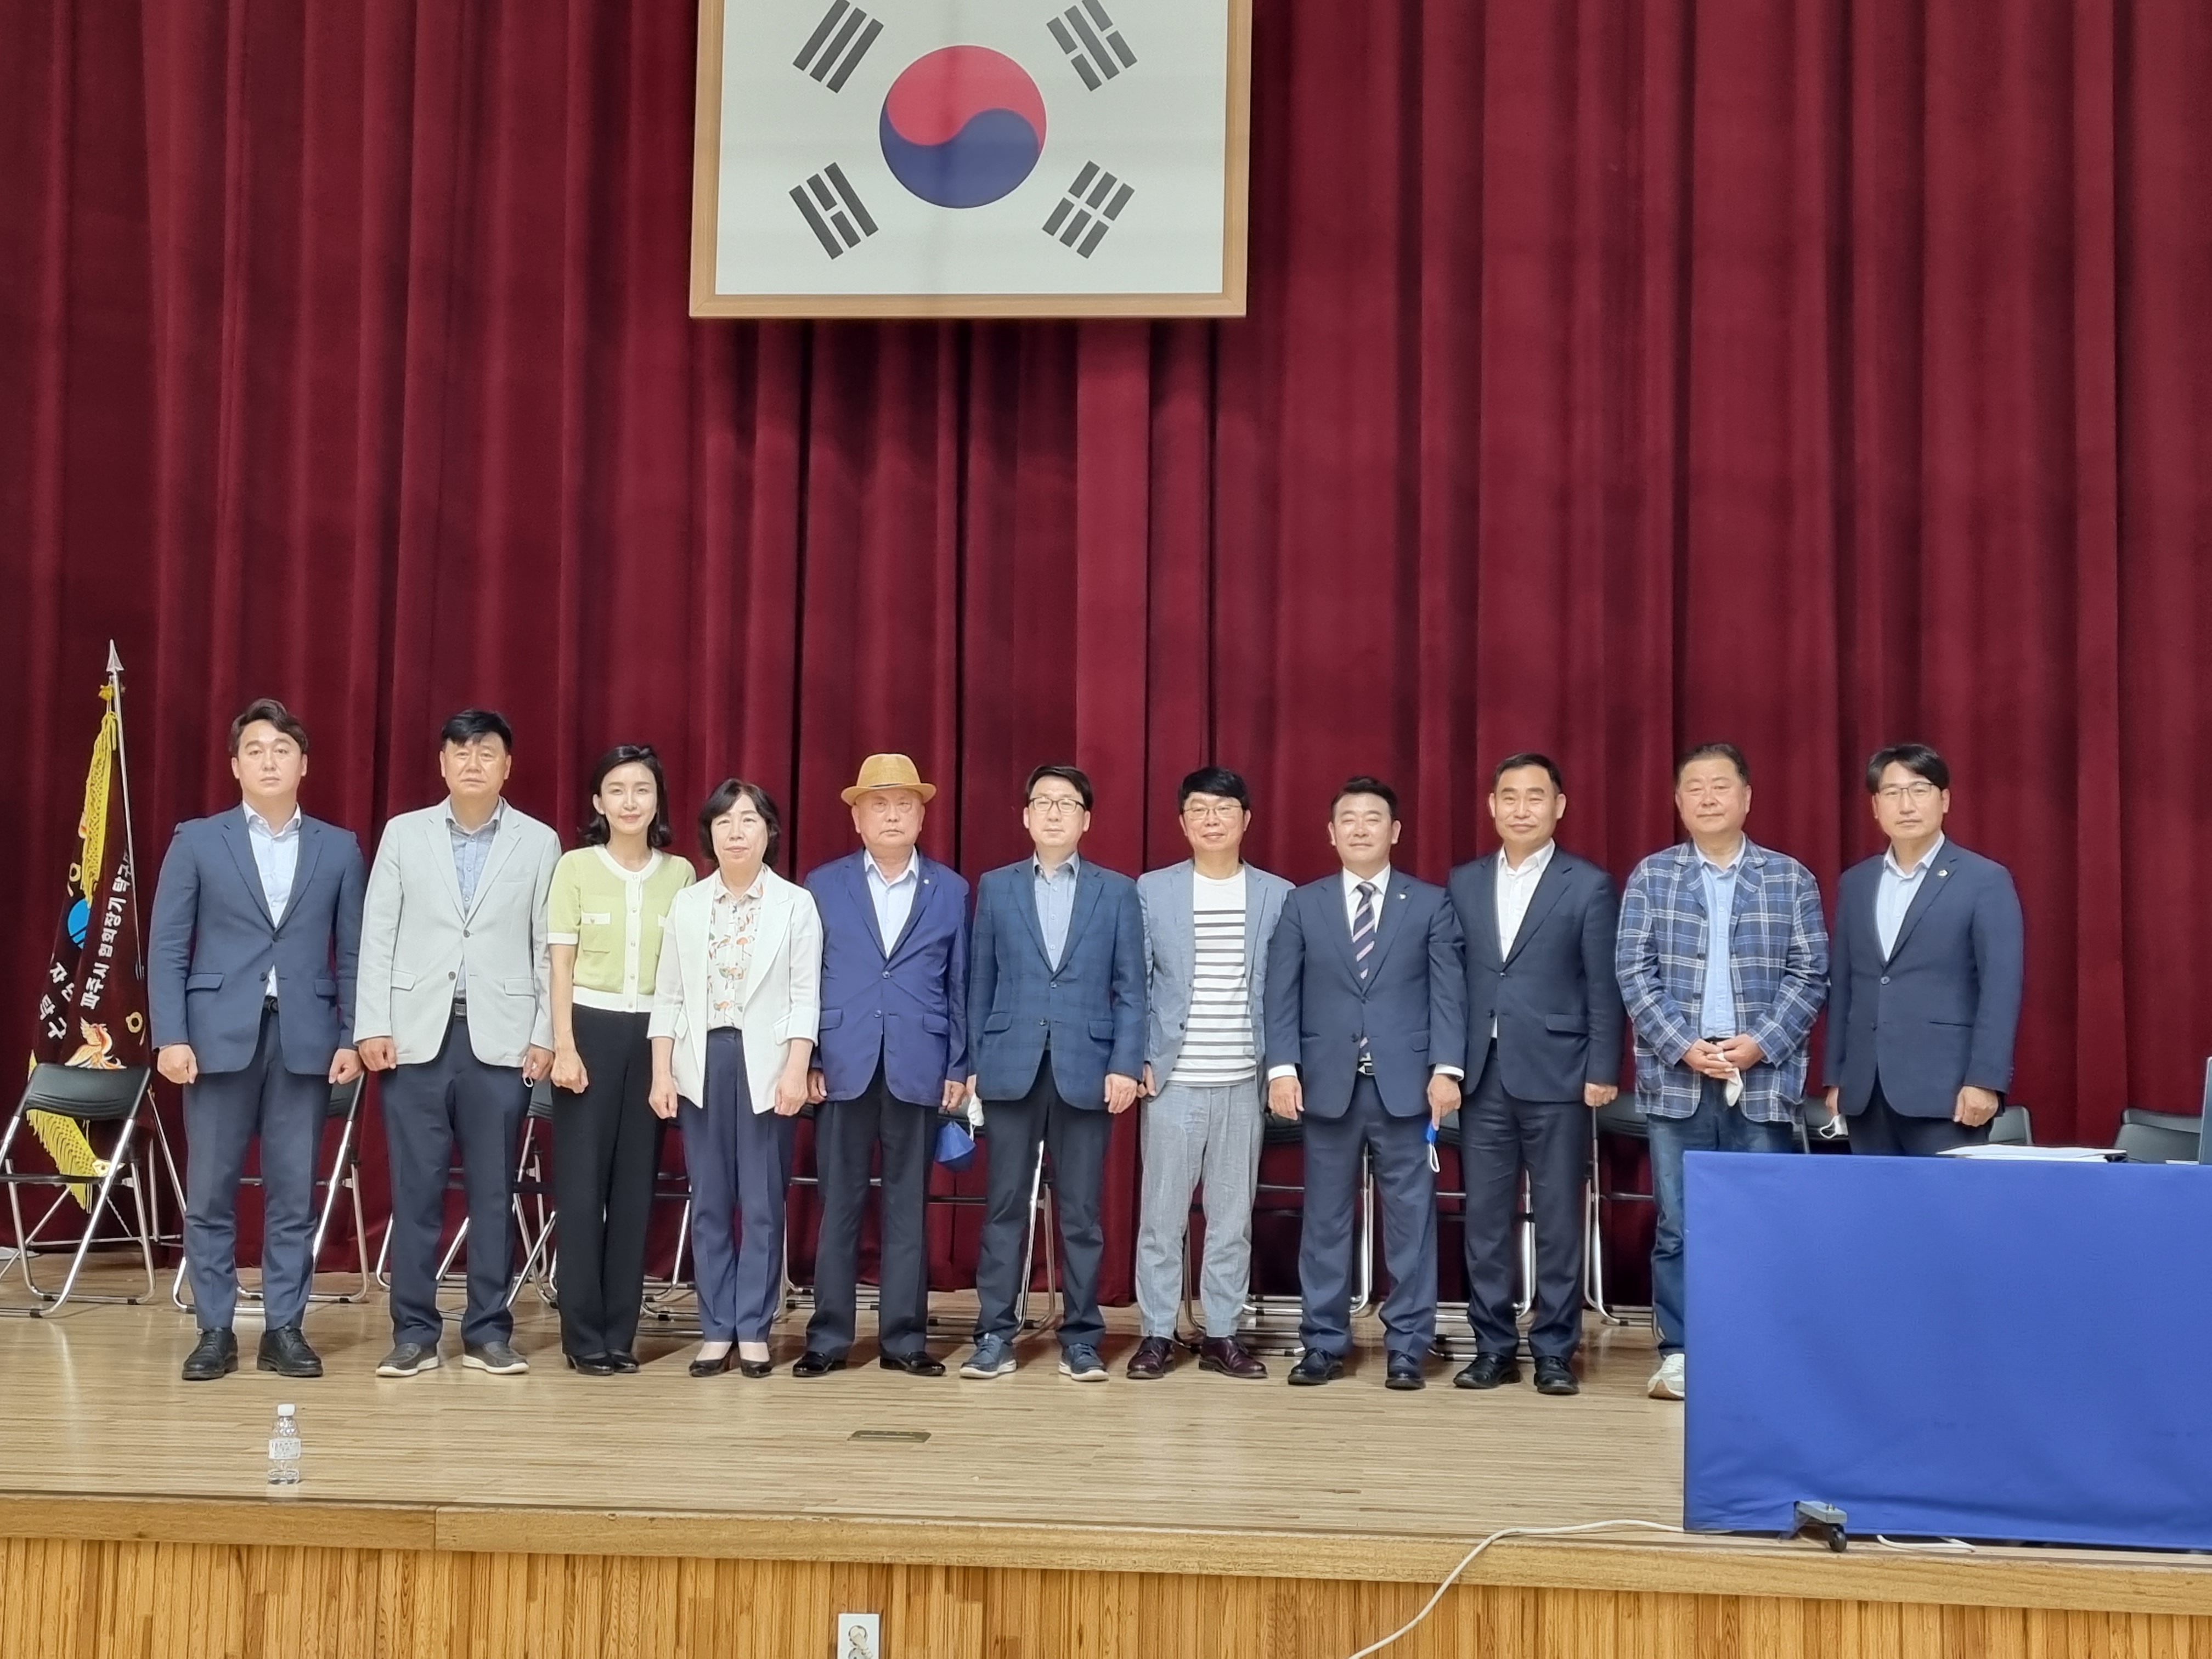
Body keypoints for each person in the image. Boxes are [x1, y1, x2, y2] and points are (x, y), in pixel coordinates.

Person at [149, 699, 365, 1383]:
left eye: (282, 750)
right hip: (215, 1037)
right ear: (235, 765)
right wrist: (171, 1035)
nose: (269, 761)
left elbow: (353, 954)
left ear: (304, 764)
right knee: (211, 1192)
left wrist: (352, 1036)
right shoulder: (197, 840)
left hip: (306, 1038)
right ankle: (215, 1329)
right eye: (255, 750)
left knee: (293, 1194)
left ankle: (285, 1328)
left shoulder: (339, 847)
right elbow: (167, 946)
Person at [1616, 742, 1826, 1403]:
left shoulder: (1790, 879)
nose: (1708, 798)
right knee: (1679, 1225)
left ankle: (1760, 1352)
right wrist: (1682, 1045)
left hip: (1762, 1079)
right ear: (1679, 802)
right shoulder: (1652, 877)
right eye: (1695, 788)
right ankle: (1680, 1353)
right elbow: (1633, 973)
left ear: (1746, 797)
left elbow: (1810, 973)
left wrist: (1761, 1043)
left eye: (1720, 786)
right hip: (1678, 1077)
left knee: (1764, 1223)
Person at [356, 709, 561, 1379]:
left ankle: (488, 1331)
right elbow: (378, 935)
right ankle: (414, 1332)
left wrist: (544, 1034)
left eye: (487, 752)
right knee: (414, 1190)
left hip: (502, 1041)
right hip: (415, 1037)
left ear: (508, 766)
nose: (473, 762)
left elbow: (546, 945)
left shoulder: (539, 841)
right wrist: (372, 1025)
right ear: (442, 763)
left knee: (493, 1193)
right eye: (461, 751)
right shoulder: (404, 833)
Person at [1263, 776, 1466, 1391]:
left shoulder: (1429, 903)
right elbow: (1280, 993)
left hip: (1407, 1089)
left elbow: (1448, 993)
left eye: (1372, 818)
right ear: (1331, 833)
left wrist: (1447, 1069)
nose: (1359, 828)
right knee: (1325, 1220)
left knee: (1411, 1222)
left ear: (1395, 831)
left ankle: (1408, 1345)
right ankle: (1323, 1343)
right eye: (1347, 818)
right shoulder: (1303, 904)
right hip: (1327, 1087)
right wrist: (1282, 1068)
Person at [959, 764, 1144, 1383]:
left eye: (1067, 803)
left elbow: (1132, 989)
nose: (1055, 812)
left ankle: (1083, 1339)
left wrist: (1125, 1064)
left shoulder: (1117, 892)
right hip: (1010, 1066)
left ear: (1086, 819)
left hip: (1088, 1070)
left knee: (1082, 1213)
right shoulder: (996, 886)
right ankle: (994, 1334)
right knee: (1004, 1208)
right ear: (1026, 816)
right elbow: (980, 982)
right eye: (1043, 802)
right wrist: (976, 1064)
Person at [1444, 752, 1622, 1397]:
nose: (1522, 809)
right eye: (1510, 797)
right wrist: (1446, 1065)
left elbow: (1604, 985)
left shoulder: (1589, 884)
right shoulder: (1463, 881)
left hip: (1560, 1075)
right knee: (1485, 1220)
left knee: (1558, 1219)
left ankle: (1554, 1350)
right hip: (1482, 1074)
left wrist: (1603, 1066)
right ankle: (1492, 1347)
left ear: (1559, 806)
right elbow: (1449, 982)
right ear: (1492, 805)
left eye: (1536, 797)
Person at [795, 754, 969, 1380]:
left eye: (904, 805)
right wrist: (811, 1055)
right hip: (843, 1063)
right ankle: (828, 1338)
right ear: (857, 817)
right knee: (839, 1204)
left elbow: (959, 983)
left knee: (907, 1207)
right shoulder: (822, 885)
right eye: (879, 804)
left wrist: (959, 1062)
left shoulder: (951, 889)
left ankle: (904, 1339)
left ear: (922, 816)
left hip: (920, 1062)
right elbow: (805, 978)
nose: (892, 815)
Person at [649, 780, 821, 1378]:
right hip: (701, 1061)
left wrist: (796, 1068)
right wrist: (661, 1072)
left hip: (767, 1066)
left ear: (769, 830)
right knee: (710, 1201)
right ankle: (716, 1327)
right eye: (724, 822)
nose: (737, 832)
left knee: (762, 1202)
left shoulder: (795, 904)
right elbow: (668, 996)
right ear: (710, 834)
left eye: (749, 820)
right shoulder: (689, 904)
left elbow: (805, 996)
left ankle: (754, 1327)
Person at [1126, 766, 1289, 1382]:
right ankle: (1156, 1334)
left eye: (1224, 809)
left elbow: (1286, 992)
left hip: (1244, 1080)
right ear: (1182, 822)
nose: (1212, 819)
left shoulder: (1278, 894)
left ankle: (1222, 1333)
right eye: (1199, 809)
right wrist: (1137, 1058)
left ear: (1246, 820)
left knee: (1231, 1219)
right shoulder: (1153, 890)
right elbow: (1136, 982)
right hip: (1172, 1081)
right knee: (1161, 1218)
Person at [544, 745, 694, 1375]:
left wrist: (670, 1059)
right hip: (589, 1032)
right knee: (582, 1193)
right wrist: (564, 1045)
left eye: (642, 789)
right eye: (617, 790)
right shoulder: (575, 867)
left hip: (654, 1038)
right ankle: (583, 1337)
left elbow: (683, 974)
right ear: (598, 802)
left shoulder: (680, 874)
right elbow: (560, 965)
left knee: (635, 1192)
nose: (630, 801)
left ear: (658, 800)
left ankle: (619, 1336)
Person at [1825, 743, 2024, 1155]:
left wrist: (1985, 1081)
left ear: (1944, 800)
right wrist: (1837, 1077)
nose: (1907, 805)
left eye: (1919, 790)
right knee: (1873, 1198)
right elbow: (1844, 986)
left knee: (1946, 1199)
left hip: (1947, 1094)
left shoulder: (1984, 880)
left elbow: (2001, 989)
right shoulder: (1856, 883)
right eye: (1893, 793)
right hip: (1866, 1091)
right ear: (1876, 806)